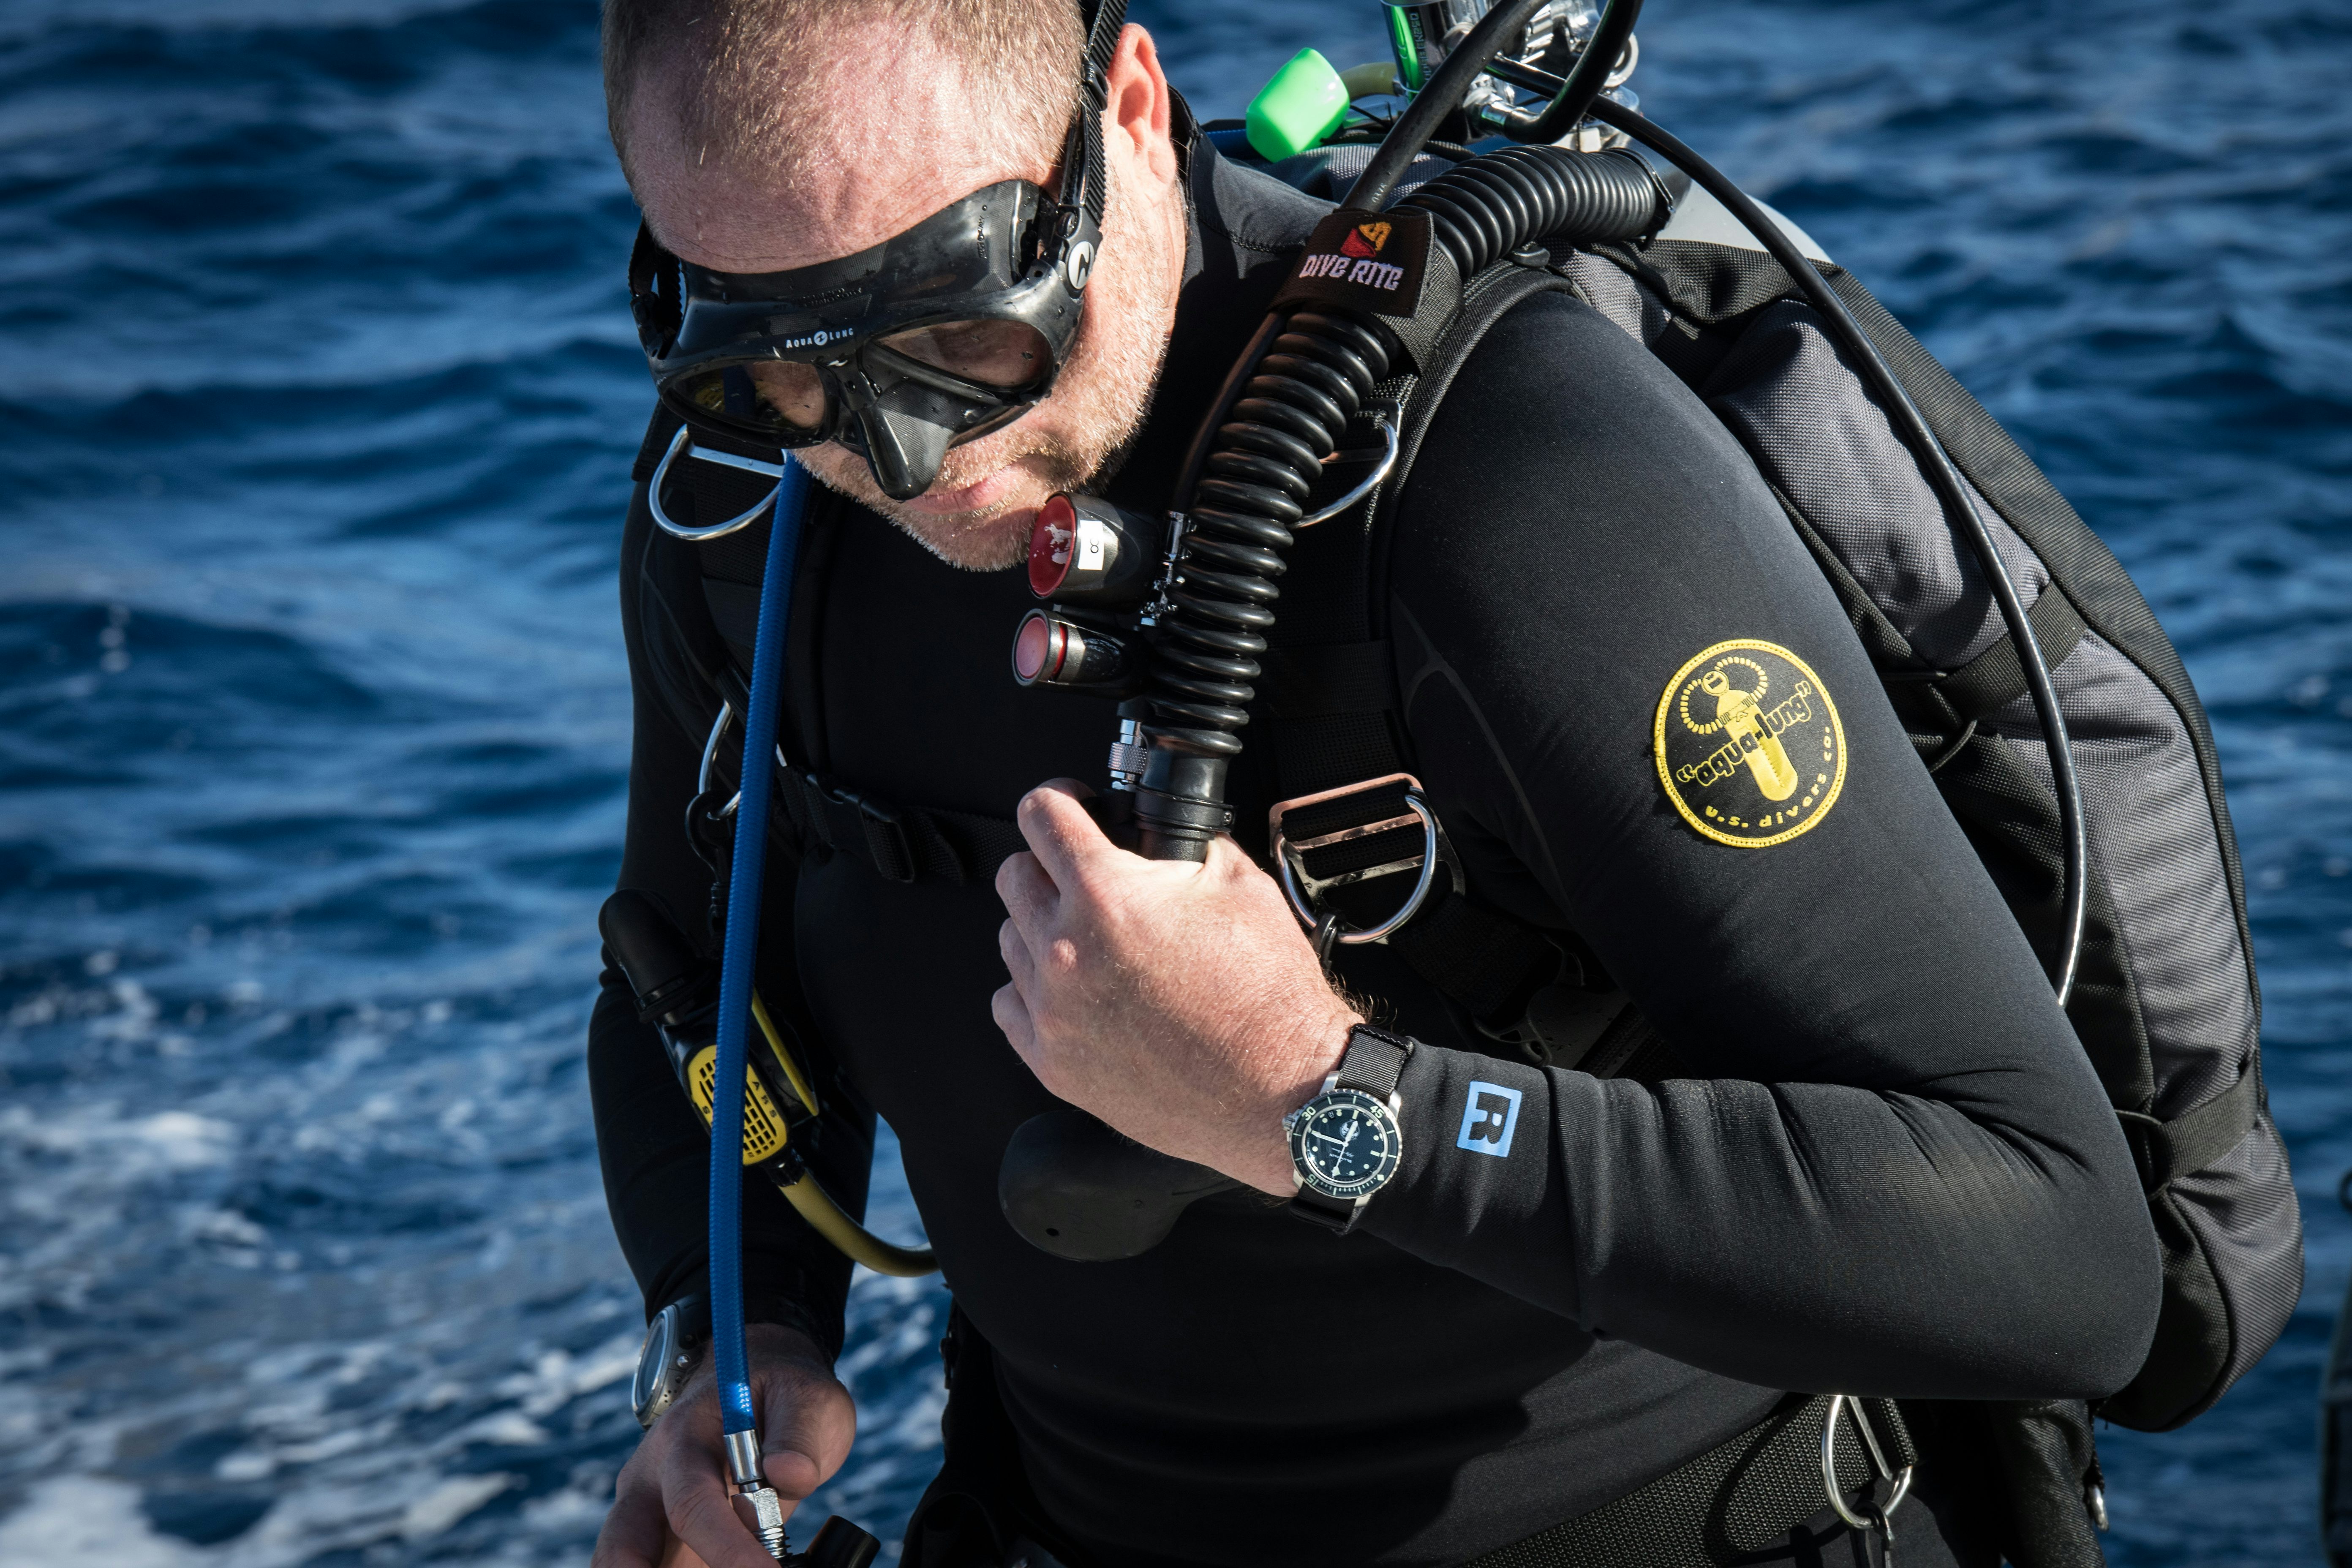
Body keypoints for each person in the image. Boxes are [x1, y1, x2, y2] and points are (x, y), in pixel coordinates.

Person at [586, 3, 2164, 1566]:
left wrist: (1321, 1099)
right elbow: (684, 989)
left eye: (963, 335)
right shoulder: (738, 521)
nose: (904, 457)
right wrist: (738, 1335)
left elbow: (2065, 1259)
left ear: (1126, 108)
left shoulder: (1518, 482)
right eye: (775, 371)